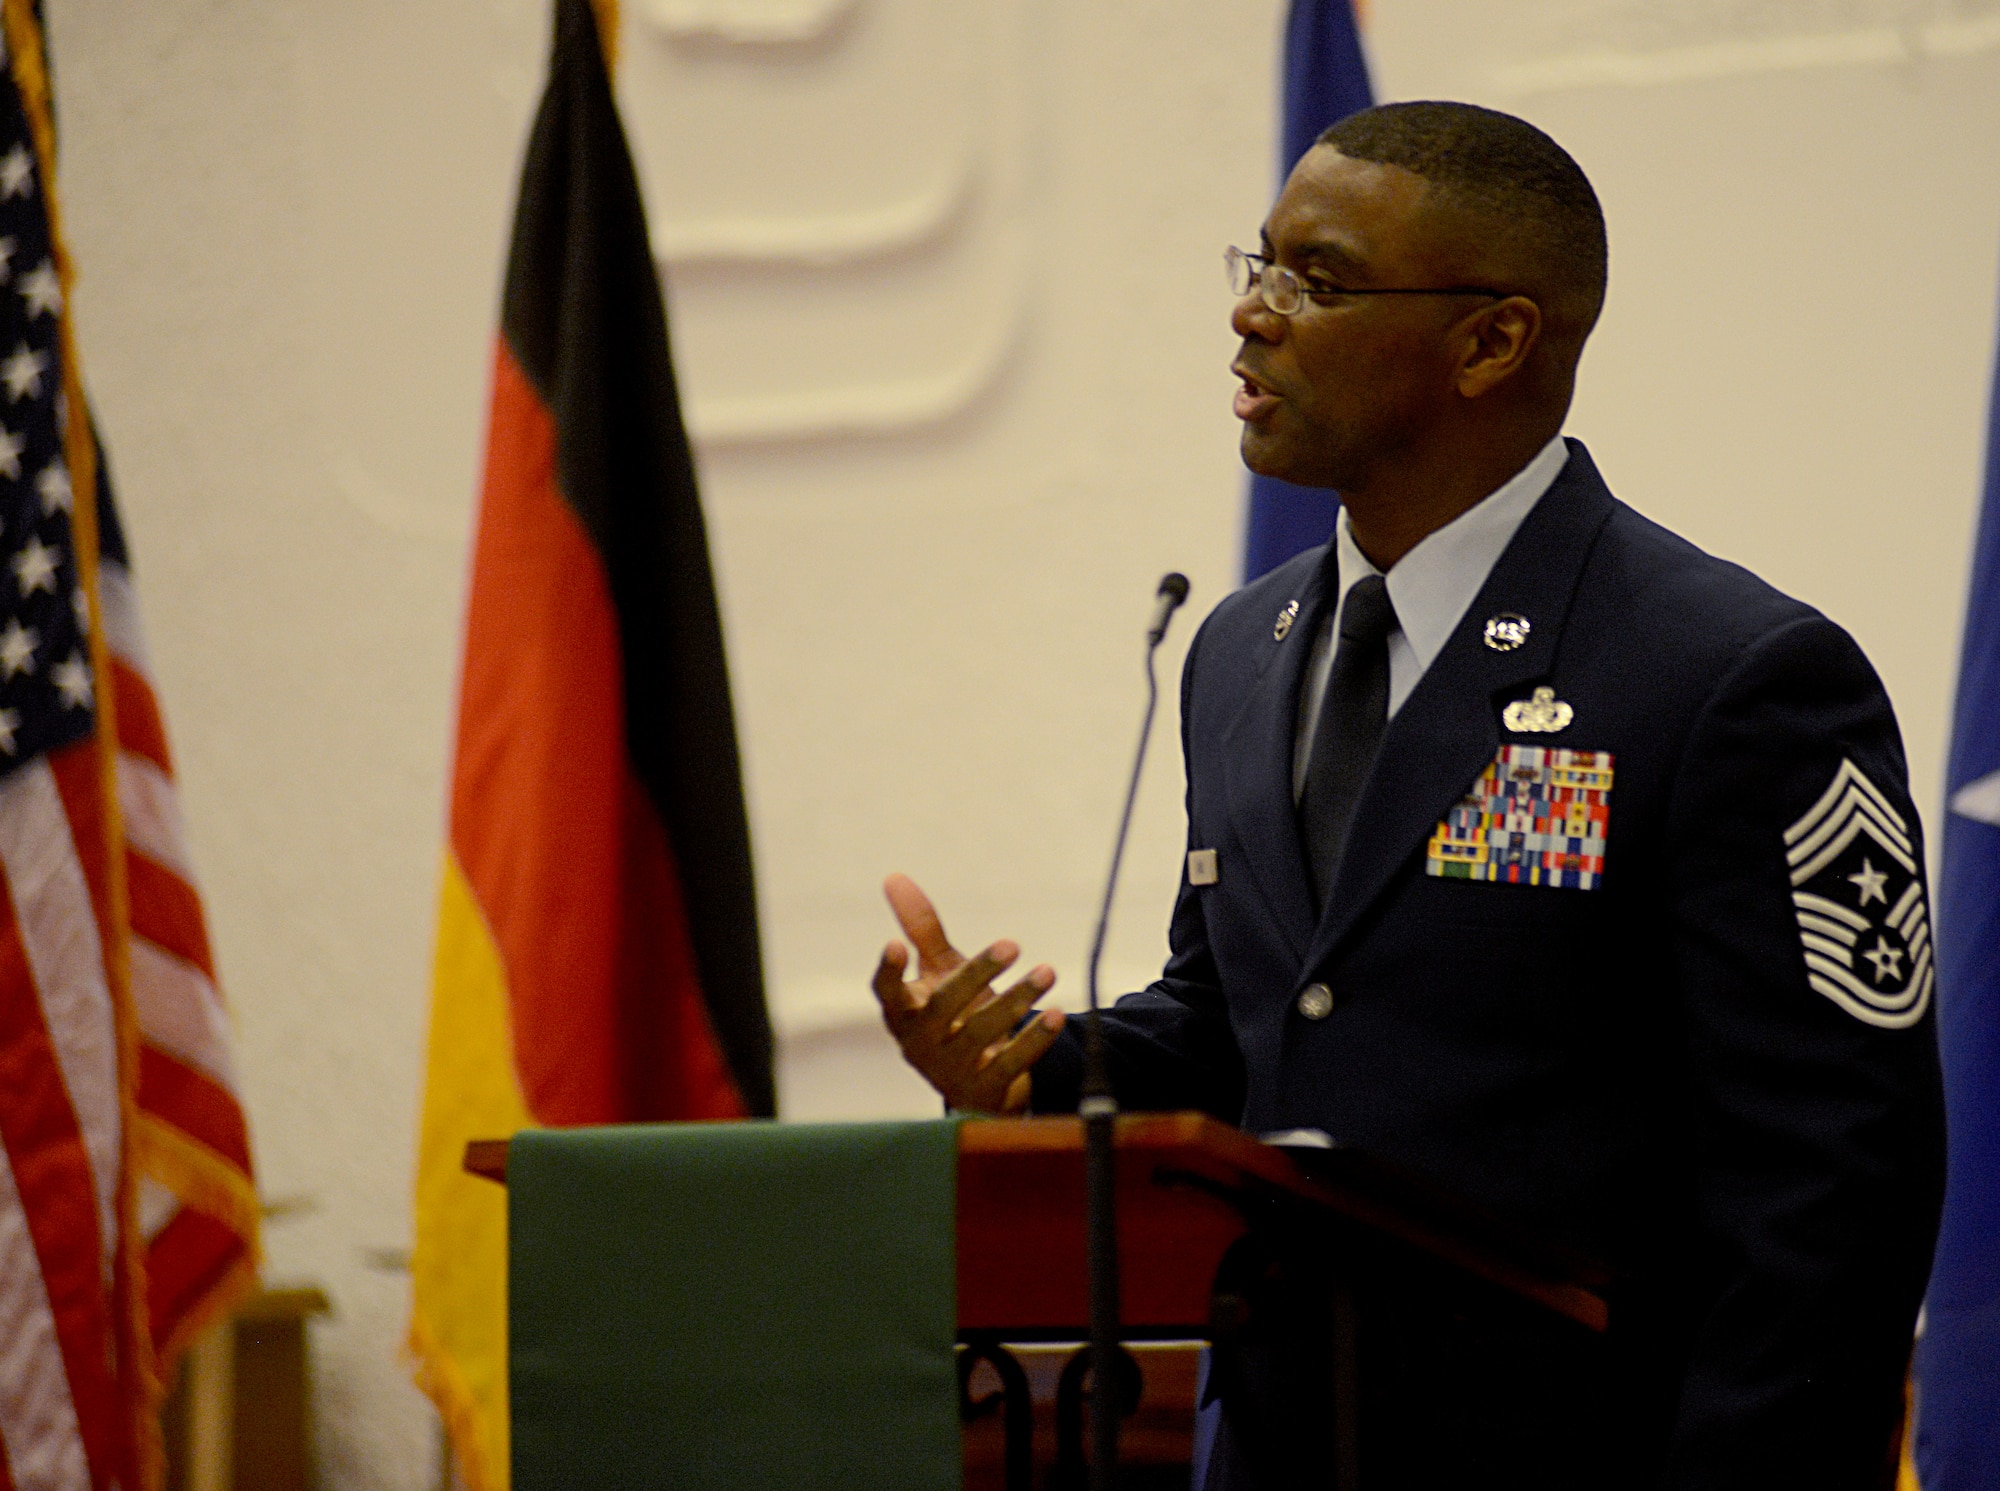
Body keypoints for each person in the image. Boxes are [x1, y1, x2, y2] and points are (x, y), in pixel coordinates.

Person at [870, 101, 1944, 1488]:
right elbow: (1250, 1021)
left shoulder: (1726, 676)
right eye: (1253, 267)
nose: (1252, 316)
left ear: (1492, 340)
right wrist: (1036, 1069)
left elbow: (1835, 1192)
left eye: (1315, 280)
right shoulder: (1238, 655)